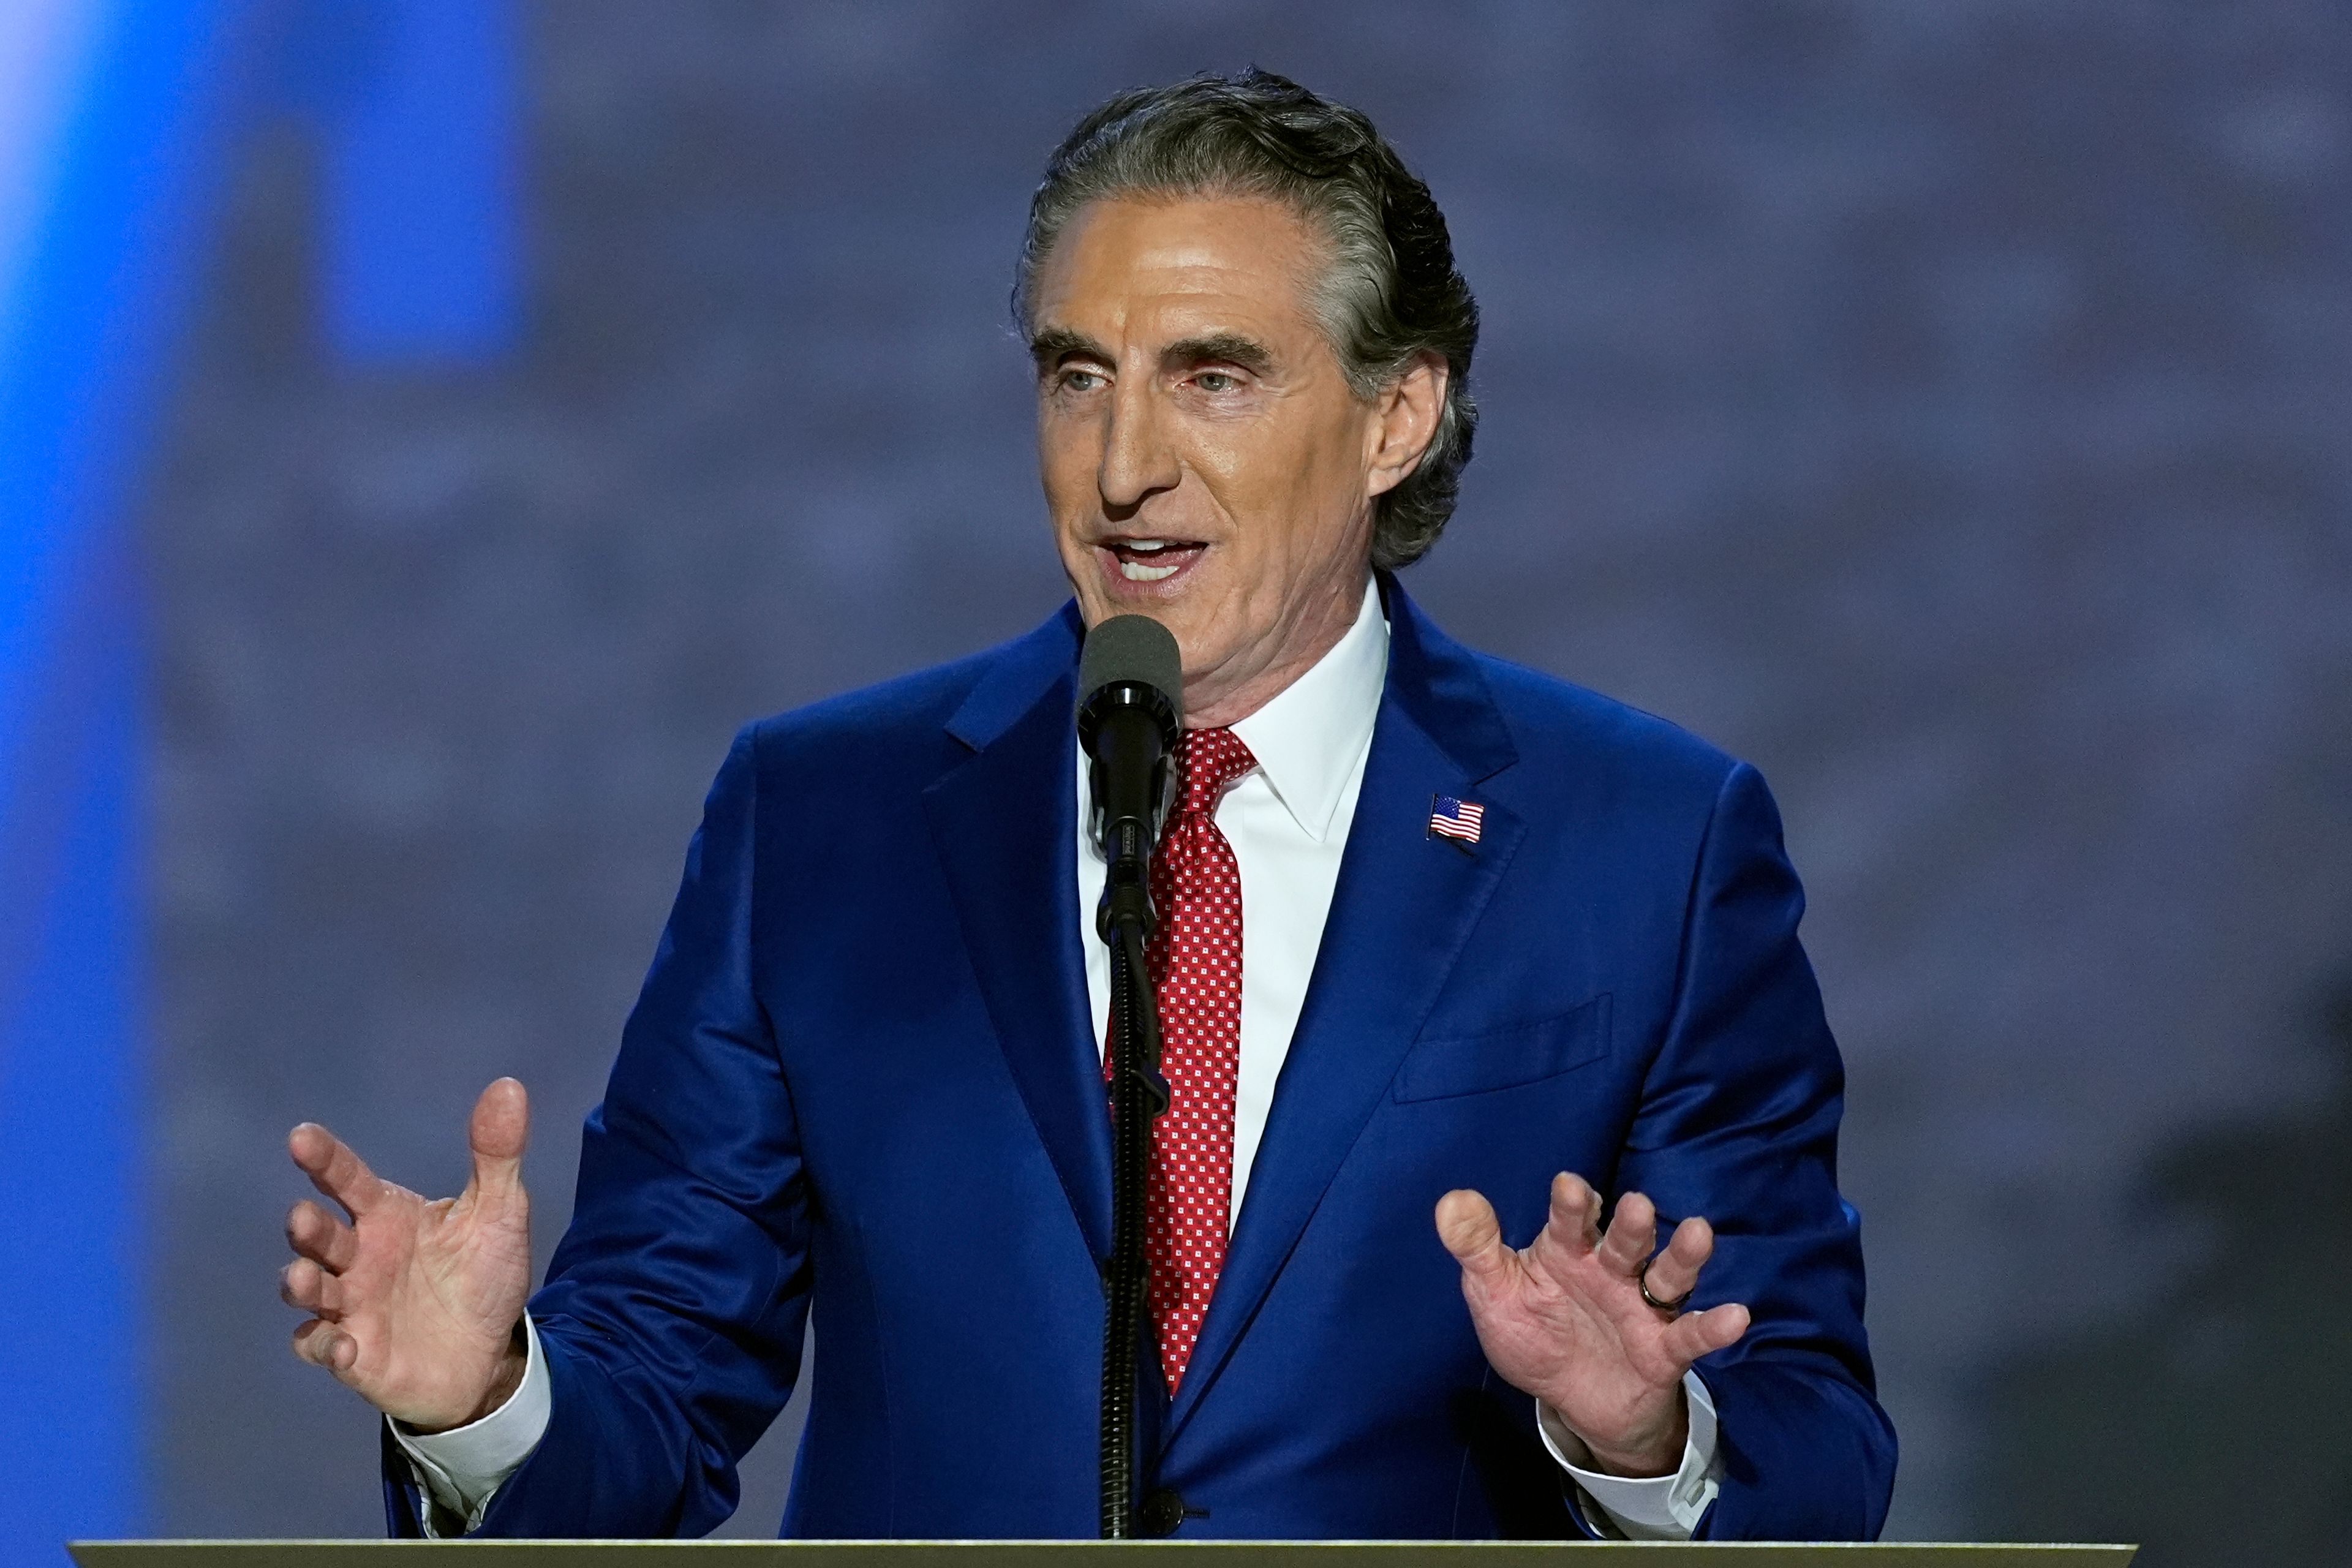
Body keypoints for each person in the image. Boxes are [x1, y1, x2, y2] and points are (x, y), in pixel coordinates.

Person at [277, 69, 1894, 1541]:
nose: (1123, 466)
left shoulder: (1645, 849)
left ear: (1393, 419)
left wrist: (1641, 1433)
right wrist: (484, 1400)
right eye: (1077, 377)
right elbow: (658, 1388)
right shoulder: (825, 822)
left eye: (1213, 377)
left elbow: (1814, 1447)